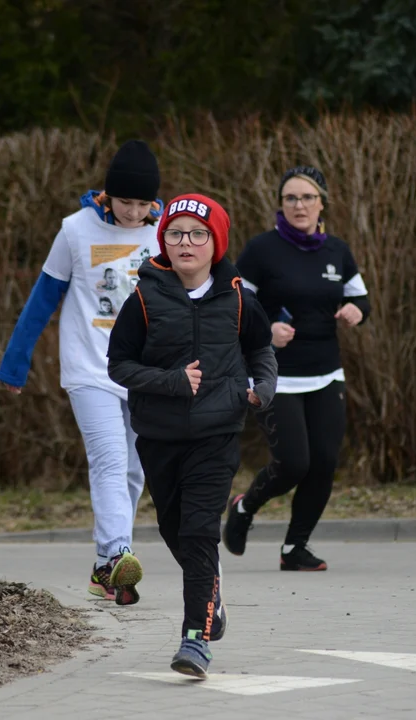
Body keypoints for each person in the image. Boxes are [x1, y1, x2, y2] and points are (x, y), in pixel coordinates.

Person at [107, 194, 277, 678]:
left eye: (198, 234)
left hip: (217, 432)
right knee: (173, 528)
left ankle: (195, 639)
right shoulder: (143, 298)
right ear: (164, 240)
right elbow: (119, 364)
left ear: (215, 243)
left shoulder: (241, 298)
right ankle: (212, 595)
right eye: (176, 233)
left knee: (201, 532)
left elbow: (261, 351)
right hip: (159, 435)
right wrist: (171, 382)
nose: (186, 242)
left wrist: (261, 390)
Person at [0, 140, 163, 605]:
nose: (132, 213)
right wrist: (16, 362)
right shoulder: (75, 231)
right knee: (109, 459)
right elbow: (42, 299)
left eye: (142, 204)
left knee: (133, 471)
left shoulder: (167, 232)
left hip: (145, 371)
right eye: (124, 202)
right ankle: (118, 556)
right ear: (107, 195)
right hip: (90, 368)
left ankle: (101, 569)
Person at [224, 165, 371, 572]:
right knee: (294, 462)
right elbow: (234, 306)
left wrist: (355, 311)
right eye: (290, 198)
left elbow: (362, 300)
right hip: (276, 374)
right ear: (281, 204)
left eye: (307, 197)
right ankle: (244, 506)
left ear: (322, 203)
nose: (299, 205)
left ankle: (295, 549)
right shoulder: (260, 251)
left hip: (326, 372)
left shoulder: (337, 251)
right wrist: (266, 331)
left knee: (323, 462)